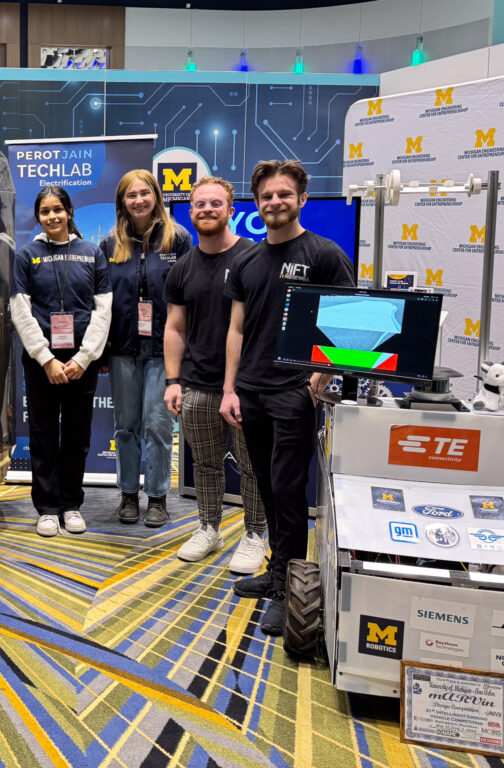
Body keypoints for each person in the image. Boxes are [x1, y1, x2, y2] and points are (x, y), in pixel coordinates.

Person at [219, 159, 354, 635]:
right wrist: (230, 388)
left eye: (283, 194)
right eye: (266, 196)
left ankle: (289, 588)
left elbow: (349, 323)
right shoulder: (247, 260)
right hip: (251, 392)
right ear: (256, 204)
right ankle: (279, 571)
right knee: (268, 489)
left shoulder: (324, 254)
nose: (274, 202)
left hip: (293, 394)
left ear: (301, 198)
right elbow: (236, 329)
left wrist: (322, 372)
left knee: (290, 493)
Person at [163, 176, 266, 572]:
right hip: (198, 385)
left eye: (215, 204)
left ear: (231, 210)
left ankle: (255, 533)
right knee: (204, 464)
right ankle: (209, 527)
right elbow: (174, 328)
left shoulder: (254, 259)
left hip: (246, 388)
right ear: (191, 213)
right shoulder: (183, 268)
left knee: (252, 465)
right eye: (200, 205)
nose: (207, 210)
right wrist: (174, 381)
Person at [11, 185, 111, 537]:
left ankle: (71, 504)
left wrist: (85, 358)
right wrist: (46, 359)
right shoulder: (27, 255)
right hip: (42, 364)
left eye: (58, 209)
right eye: (45, 211)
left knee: (77, 435)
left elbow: (104, 310)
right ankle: (47, 508)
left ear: (69, 211)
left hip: (81, 363)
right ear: (38, 216)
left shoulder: (91, 252)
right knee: (42, 433)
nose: (52, 216)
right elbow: (20, 310)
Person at [101, 170, 191, 526]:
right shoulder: (110, 244)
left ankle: (156, 497)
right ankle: (127, 494)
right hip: (122, 349)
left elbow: (187, 300)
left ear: (156, 196)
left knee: (157, 425)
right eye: (130, 195)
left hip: (162, 350)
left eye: (144, 193)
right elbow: (103, 301)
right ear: (122, 202)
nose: (138, 200)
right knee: (125, 425)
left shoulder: (178, 239)